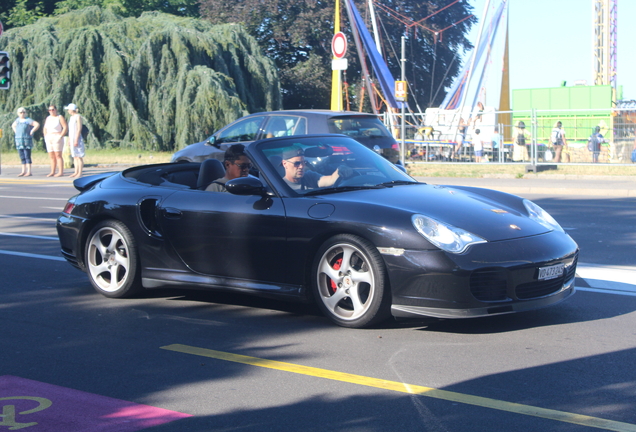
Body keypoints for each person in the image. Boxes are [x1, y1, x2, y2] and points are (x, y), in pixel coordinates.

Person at [281, 146, 348, 191]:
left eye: (304, 162)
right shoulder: (280, 186)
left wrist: (340, 170)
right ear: (285, 164)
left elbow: (330, 179)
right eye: (297, 163)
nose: (301, 166)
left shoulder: (309, 176)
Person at [11, 107, 40, 177]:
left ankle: (29, 171)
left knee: (27, 155)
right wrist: (16, 132)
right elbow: (13, 125)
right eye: (21, 112)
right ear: (18, 113)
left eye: (23, 112)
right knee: (22, 156)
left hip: (26, 140)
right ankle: (23, 171)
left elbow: (37, 124)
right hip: (19, 140)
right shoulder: (17, 120)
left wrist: (32, 131)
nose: (22, 114)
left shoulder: (28, 120)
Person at [43, 105, 68, 177]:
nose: (51, 111)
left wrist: (60, 136)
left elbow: (65, 127)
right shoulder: (48, 118)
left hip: (57, 135)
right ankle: (52, 171)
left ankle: (60, 172)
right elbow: (45, 127)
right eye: (49, 110)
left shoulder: (59, 117)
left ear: (56, 110)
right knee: (51, 155)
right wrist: (45, 136)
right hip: (49, 136)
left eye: (53, 109)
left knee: (58, 155)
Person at [65, 103, 85, 178]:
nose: (68, 111)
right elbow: (70, 130)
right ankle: (75, 172)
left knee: (79, 156)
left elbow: (79, 128)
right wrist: (70, 140)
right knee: (75, 156)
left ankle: (80, 172)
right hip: (72, 137)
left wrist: (76, 139)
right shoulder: (71, 118)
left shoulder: (78, 117)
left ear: (71, 110)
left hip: (77, 138)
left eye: (68, 110)